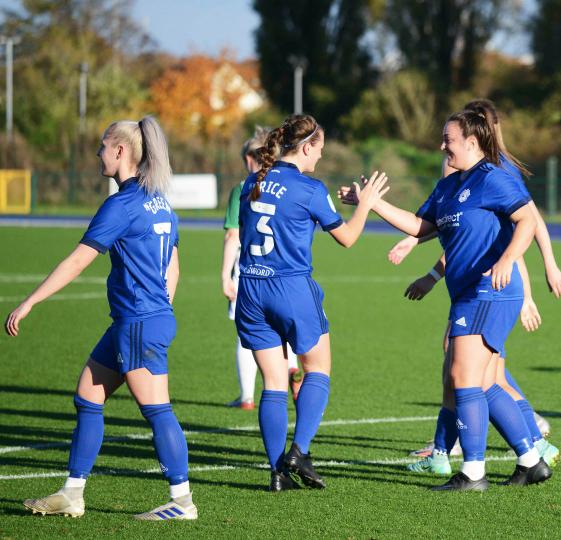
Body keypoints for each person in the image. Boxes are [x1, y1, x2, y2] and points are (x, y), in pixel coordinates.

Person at [344, 109, 551, 491]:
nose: (442, 145)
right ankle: (531, 460)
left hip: (490, 290)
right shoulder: (448, 187)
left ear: (472, 142)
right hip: (467, 293)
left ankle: (473, 472)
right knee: (485, 381)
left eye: (449, 139)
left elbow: (528, 220)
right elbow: (421, 226)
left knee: (462, 378)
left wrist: (507, 259)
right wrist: (370, 203)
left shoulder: (493, 178)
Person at [6, 117, 197, 520]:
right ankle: (73, 492)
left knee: (157, 408)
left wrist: (30, 302)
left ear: (121, 150)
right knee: (88, 395)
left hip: (138, 321)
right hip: (142, 319)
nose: (97, 153)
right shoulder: (160, 202)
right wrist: (159, 310)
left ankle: (182, 502)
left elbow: (78, 260)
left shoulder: (122, 204)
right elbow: (174, 267)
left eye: (102, 146)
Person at [235, 114, 389, 491]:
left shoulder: (251, 183)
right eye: (319, 149)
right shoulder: (309, 188)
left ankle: (277, 473)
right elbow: (348, 238)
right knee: (318, 368)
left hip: (251, 288)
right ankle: (299, 451)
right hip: (290, 289)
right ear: (306, 147)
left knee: (272, 382)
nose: (320, 157)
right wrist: (366, 203)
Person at [221, 127, 300, 409]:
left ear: (253, 157)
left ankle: (246, 396)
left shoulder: (244, 188)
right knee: (282, 329)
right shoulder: (287, 187)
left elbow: (233, 235)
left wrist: (224, 275)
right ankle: (292, 366)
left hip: (249, 271)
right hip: (282, 272)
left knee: (248, 334)